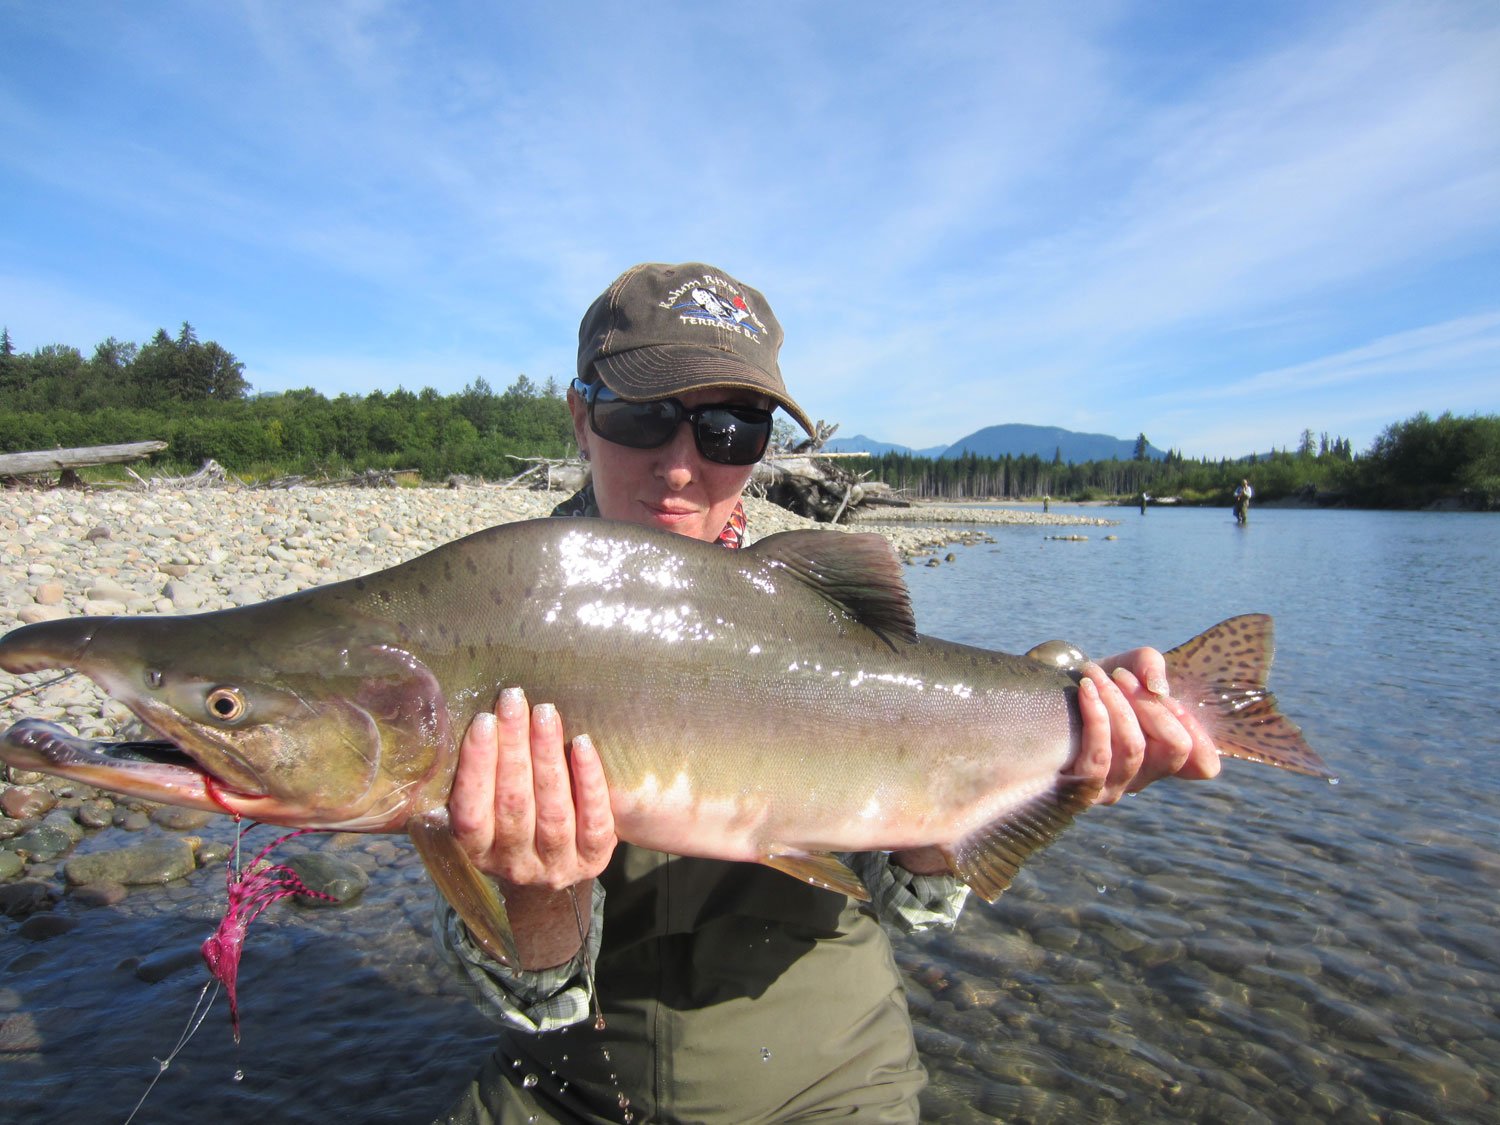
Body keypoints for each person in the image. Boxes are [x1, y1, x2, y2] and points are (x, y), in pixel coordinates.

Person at [435, 262, 1222, 1124]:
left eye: (731, 428)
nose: (681, 465)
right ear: (581, 416)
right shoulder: (482, 613)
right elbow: (526, 995)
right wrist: (537, 895)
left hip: (828, 1087)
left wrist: (1053, 767)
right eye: (644, 414)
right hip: (564, 1093)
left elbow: (914, 908)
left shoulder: (818, 605)